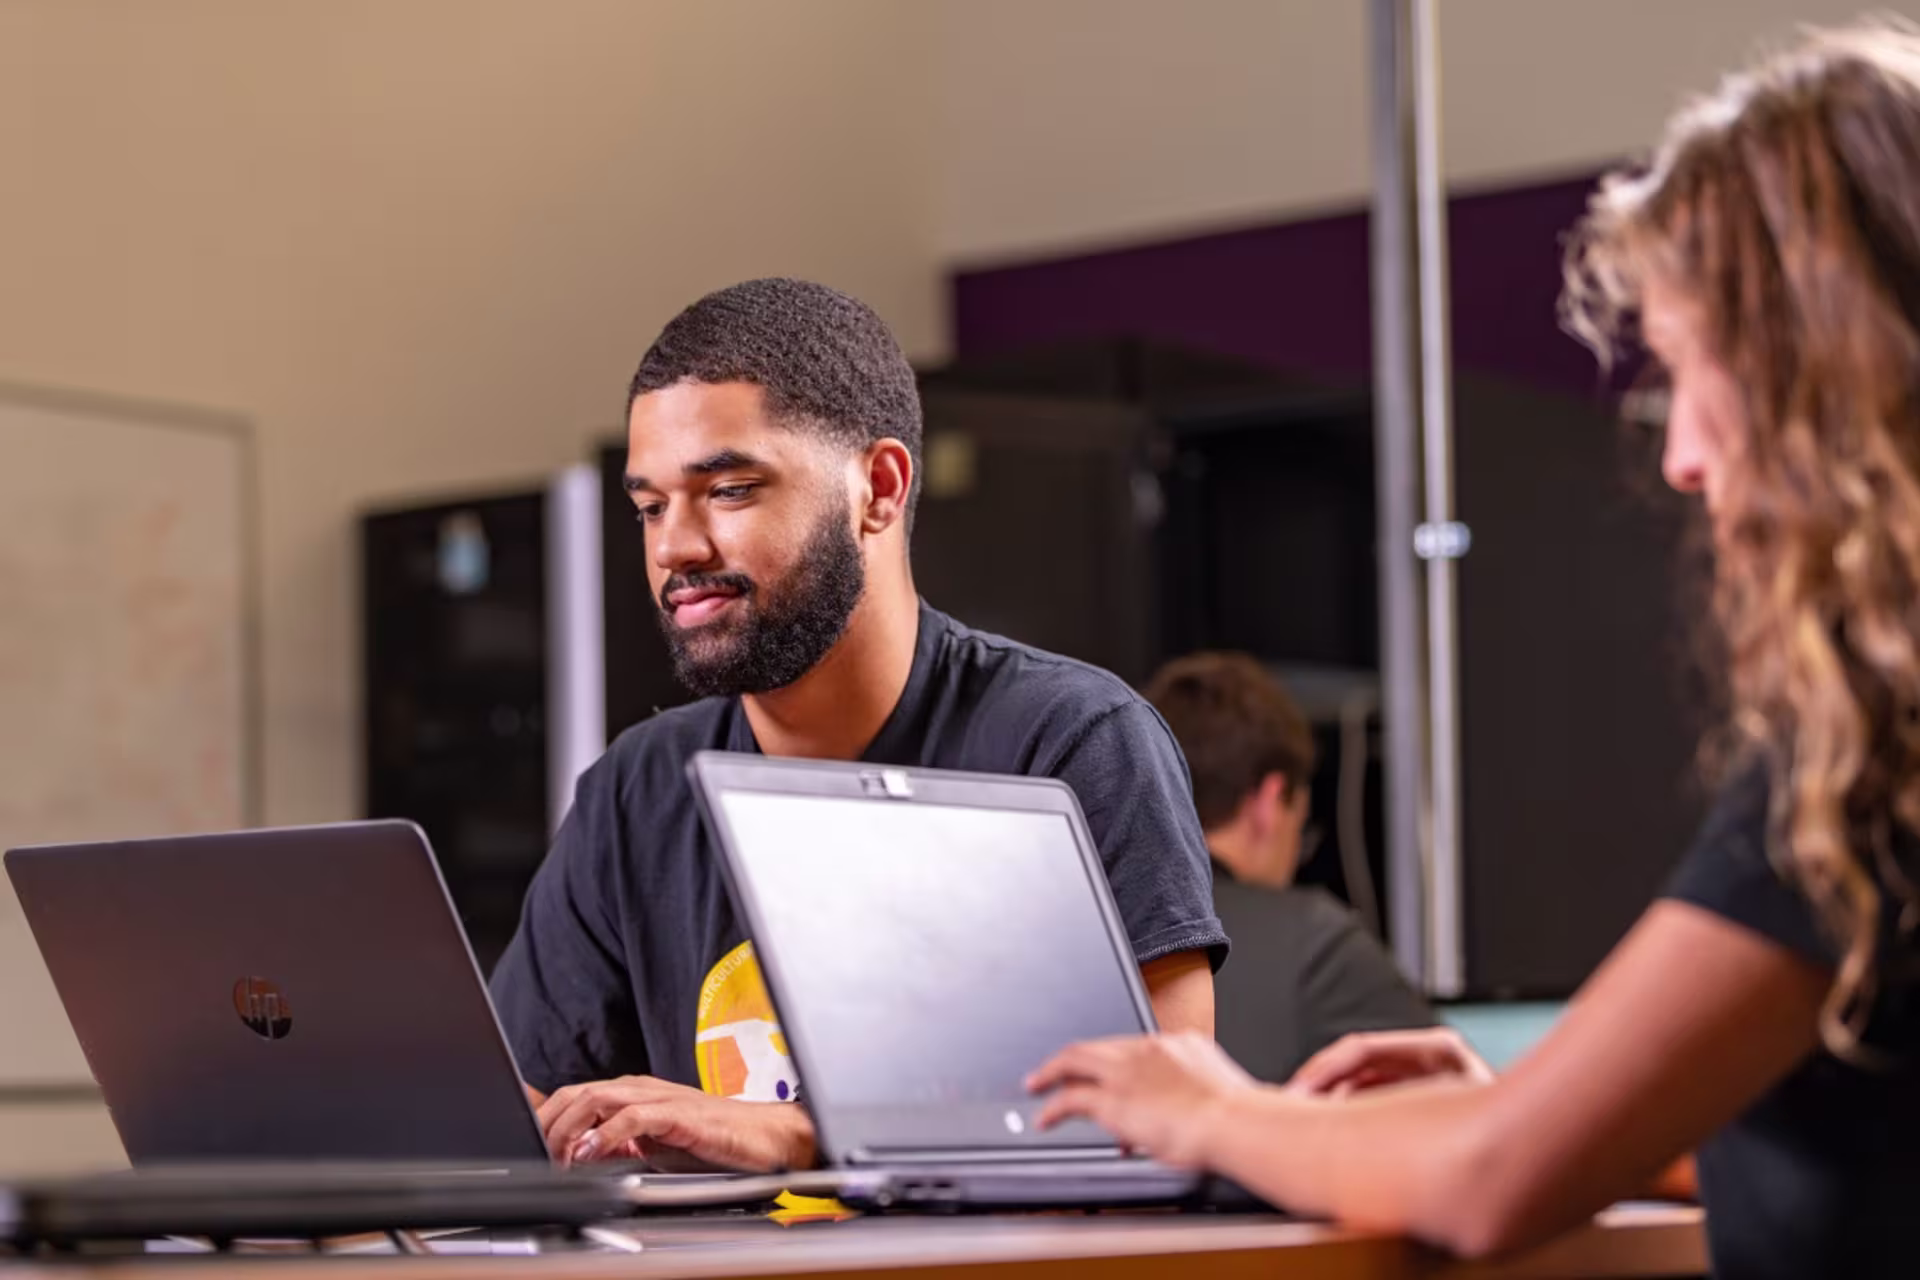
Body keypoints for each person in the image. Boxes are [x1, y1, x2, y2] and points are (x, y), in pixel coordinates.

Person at [1029, 21, 1920, 1277]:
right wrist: (1539, 1105)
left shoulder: (1873, 762)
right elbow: (1836, 1145)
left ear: (1815, 370)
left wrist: (1205, 1107)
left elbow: (1489, 1187)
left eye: (1688, 372)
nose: (1682, 457)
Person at [489, 277, 1227, 1173]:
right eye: (650, 507)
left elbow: (1172, 1127)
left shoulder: (1072, 745)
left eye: (727, 490)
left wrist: (804, 1137)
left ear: (878, 487)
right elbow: (521, 1107)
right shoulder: (635, 790)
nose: (673, 548)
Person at [1144, 653, 1432, 1082]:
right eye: (1301, 825)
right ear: (1269, 801)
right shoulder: (1315, 945)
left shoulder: (1090, 925)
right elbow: (1467, 1107)